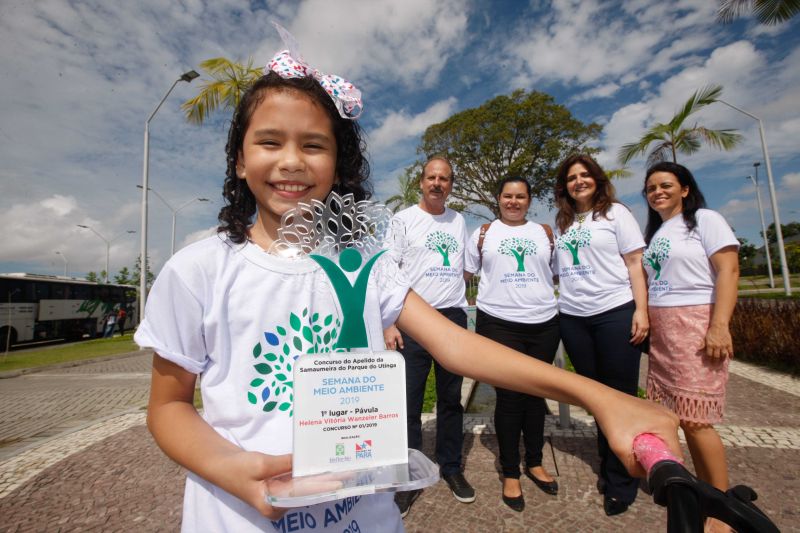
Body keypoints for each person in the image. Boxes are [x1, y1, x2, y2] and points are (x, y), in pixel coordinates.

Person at [137, 48, 681, 533]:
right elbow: (168, 407)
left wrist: (601, 397)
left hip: (365, 517)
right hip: (237, 515)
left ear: (339, 164)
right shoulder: (198, 271)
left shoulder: (365, 267)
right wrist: (232, 470)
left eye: (314, 145)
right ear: (239, 158)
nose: (292, 161)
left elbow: (456, 344)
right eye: (269, 142)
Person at [641, 162, 739, 530]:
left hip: (694, 323)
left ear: (685, 189)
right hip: (664, 331)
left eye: (665, 185)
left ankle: (722, 509)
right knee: (677, 416)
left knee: (698, 420)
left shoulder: (705, 220)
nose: (657, 192)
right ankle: (699, 493)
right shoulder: (659, 232)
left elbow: (728, 270)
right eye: (651, 188)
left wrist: (719, 325)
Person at [552, 153, 650, 517]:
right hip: (574, 318)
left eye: (585, 175)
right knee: (596, 398)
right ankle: (611, 462)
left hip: (614, 312)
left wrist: (641, 310)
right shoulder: (562, 222)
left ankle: (621, 480)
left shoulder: (616, 214)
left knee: (621, 397)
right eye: (572, 177)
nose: (579, 181)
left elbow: (635, 263)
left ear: (597, 179)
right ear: (565, 186)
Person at [382, 155, 474, 517]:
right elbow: (388, 271)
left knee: (452, 400)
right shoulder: (402, 220)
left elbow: (462, 269)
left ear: (451, 185)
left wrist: (453, 296)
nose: (438, 183)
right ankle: (409, 478)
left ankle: (451, 467)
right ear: (421, 182)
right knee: (409, 404)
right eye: (432, 177)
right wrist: (390, 322)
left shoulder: (459, 220)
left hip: (451, 319)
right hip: (411, 321)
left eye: (445, 179)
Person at [464, 177, 559, 512]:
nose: (514, 202)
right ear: (499, 199)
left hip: (544, 323)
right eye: (508, 196)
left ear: (529, 200)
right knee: (509, 397)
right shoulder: (484, 234)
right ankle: (509, 472)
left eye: (520, 197)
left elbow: (557, 274)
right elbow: (465, 275)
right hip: (498, 323)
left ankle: (534, 461)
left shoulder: (545, 233)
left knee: (536, 396)